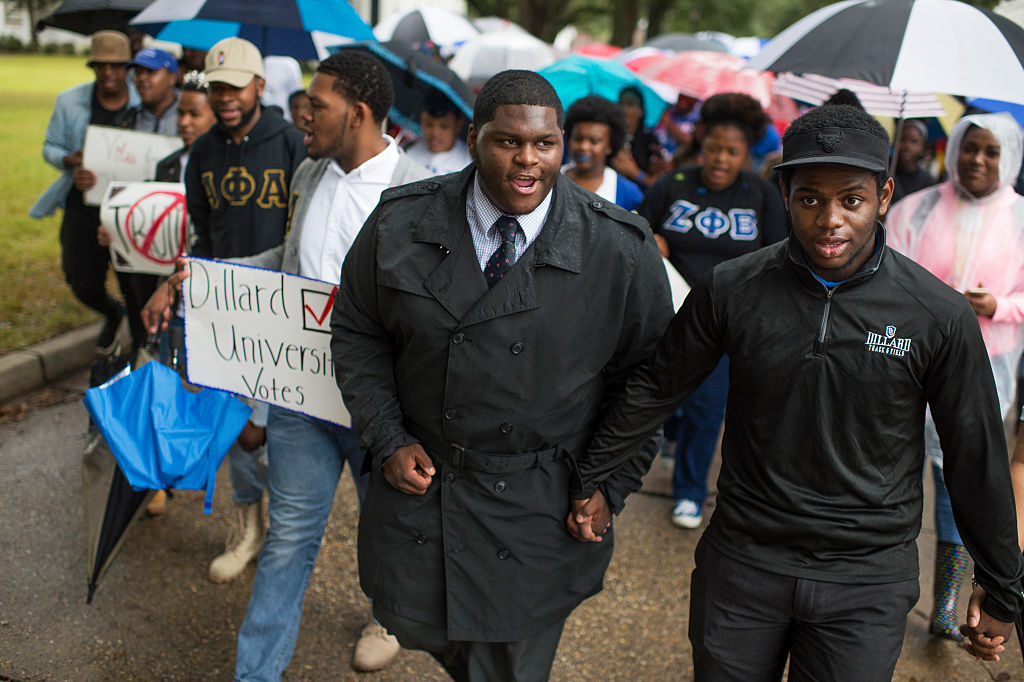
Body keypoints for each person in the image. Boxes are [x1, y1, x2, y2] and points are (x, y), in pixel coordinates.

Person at [574, 104, 1024, 679]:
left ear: (884, 197)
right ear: (784, 192)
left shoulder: (936, 315)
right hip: (743, 562)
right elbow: (656, 388)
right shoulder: (732, 289)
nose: (830, 219)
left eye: (852, 201)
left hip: (866, 579)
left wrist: (1002, 586)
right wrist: (599, 481)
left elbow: (974, 453)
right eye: (810, 198)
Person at [331, 69, 672, 681]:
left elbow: (647, 383)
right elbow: (358, 332)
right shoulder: (401, 222)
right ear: (473, 137)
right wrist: (386, 436)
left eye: (545, 144)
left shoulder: (619, 247)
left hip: (540, 501)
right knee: (419, 621)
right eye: (507, 141)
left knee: (512, 661)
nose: (528, 161)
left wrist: (609, 484)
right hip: (427, 489)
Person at [143, 37, 306, 584]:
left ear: (259, 86)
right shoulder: (204, 153)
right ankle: (248, 529)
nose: (225, 98)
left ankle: (290, 532)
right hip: (222, 307)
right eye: (216, 88)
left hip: (283, 309)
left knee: (279, 429)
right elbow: (202, 231)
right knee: (238, 426)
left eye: (234, 86)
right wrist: (181, 280)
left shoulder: (292, 144)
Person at [886, 112, 1024, 640]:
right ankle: (886, 582)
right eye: (970, 148)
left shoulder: (1019, 219)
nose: (978, 160)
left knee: (956, 482)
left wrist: (1000, 305)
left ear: (1008, 157)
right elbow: (884, 269)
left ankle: (946, 599)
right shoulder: (916, 210)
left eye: (991, 151)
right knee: (892, 465)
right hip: (905, 360)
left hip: (984, 370)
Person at [638, 92, 788, 529]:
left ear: (746, 154)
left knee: (708, 411)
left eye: (732, 151)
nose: (721, 159)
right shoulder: (674, 185)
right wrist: (652, 240)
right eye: (714, 148)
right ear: (701, 144)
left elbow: (778, 254)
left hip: (727, 322)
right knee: (667, 399)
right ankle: (670, 437)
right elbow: (638, 228)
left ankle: (689, 491)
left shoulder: (761, 195)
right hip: (668, 316)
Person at [29, 30, 139, 353]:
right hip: (83, 209)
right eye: (101, 65)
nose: (108, 73)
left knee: (134, 286)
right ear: (92, 67)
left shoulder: (141, 105)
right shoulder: (70, 102)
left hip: (127, 212)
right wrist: (69, 160)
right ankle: (111, 311)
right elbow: (49, 146)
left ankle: (136, 352)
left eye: (116, 66)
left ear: (127, 69)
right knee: (81, 281)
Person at [562, 95, 643, 211]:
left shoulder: (627, 193)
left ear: (610, 144)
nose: (584, 147)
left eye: (594, 141)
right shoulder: (552, 179)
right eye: (578, 139)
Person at [611, 85, 667, 189]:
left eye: (630, 104)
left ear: (641, 110)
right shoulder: (609, 136)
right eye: (621, 103)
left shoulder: (650, 140)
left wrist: (635, 173)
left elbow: (660, 183)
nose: (624, 109)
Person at [403, 91, 472, 175]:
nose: (435, 133)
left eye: (444, 126)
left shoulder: (471, 160)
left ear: (458, 125)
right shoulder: (407, 151)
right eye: (428, 124)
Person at [127, 47, 179, 136]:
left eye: (151, 71)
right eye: (138, 72)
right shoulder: (127, 118)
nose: (142, 78)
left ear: (172, 78)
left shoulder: (189, 116)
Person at [890, 119, 936, 203]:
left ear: (922, 147)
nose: (907, 146)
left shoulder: (927, 181)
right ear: (894, 142)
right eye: (902, 139)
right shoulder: (886, 172)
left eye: (914, 142)